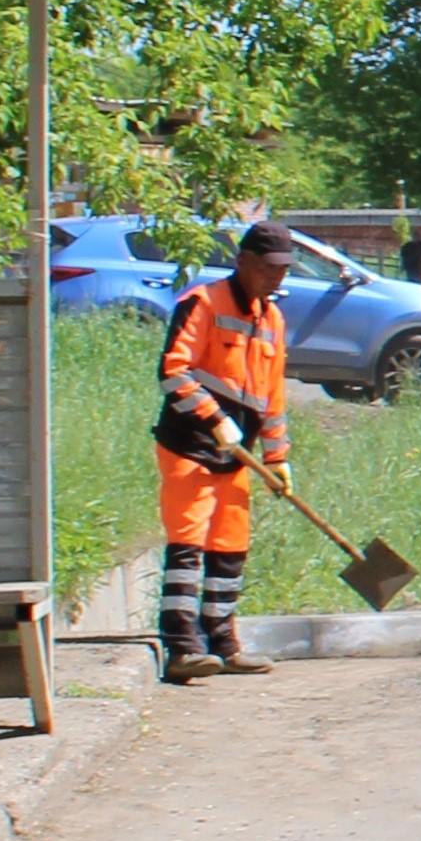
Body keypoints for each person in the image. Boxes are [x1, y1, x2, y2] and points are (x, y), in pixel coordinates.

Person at [154, 220, 298, 684]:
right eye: (269, 268)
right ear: (243, 262)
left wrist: (277, 459)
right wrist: (215, 419)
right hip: (190, 445)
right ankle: (182, 648)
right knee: (189, 543)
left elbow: (272, 400)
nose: (277, 277)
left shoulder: (272, 319)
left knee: (230, 546)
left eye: (283, 269)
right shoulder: (203, 302)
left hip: (238, 455)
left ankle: (223, 643)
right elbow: (173, 372)